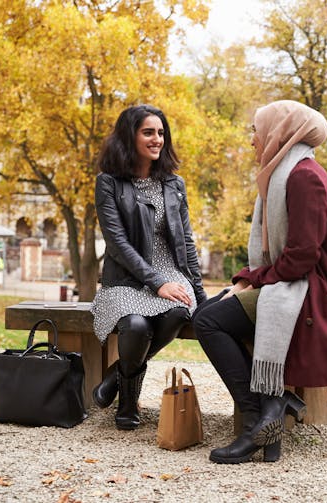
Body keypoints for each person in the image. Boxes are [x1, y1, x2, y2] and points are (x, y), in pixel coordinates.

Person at [192, 100, 327, 464]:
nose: (253, 139)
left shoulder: (304, 176)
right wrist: (248, 282)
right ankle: (272, 408)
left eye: (256, 130)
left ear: (279, 132)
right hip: (296, 282)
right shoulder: (282, 172)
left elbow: (302, 257)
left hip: (317, 290)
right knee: (208, 311)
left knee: (208, 321)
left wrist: (248, 280)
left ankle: (258, 420)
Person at [90, 105, 207, 430]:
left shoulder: (174, 184)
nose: (157, 139)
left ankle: (116, 379)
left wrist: (200, 294)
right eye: (148, 132)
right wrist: (155, 282)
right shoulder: (109, 183)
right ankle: (127, 402)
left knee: (177, 311)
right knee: (137, 327)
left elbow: (185, 243)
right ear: (130, 136)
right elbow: (117, 244)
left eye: (160, 132)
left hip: (172, 275)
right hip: (126, 279)